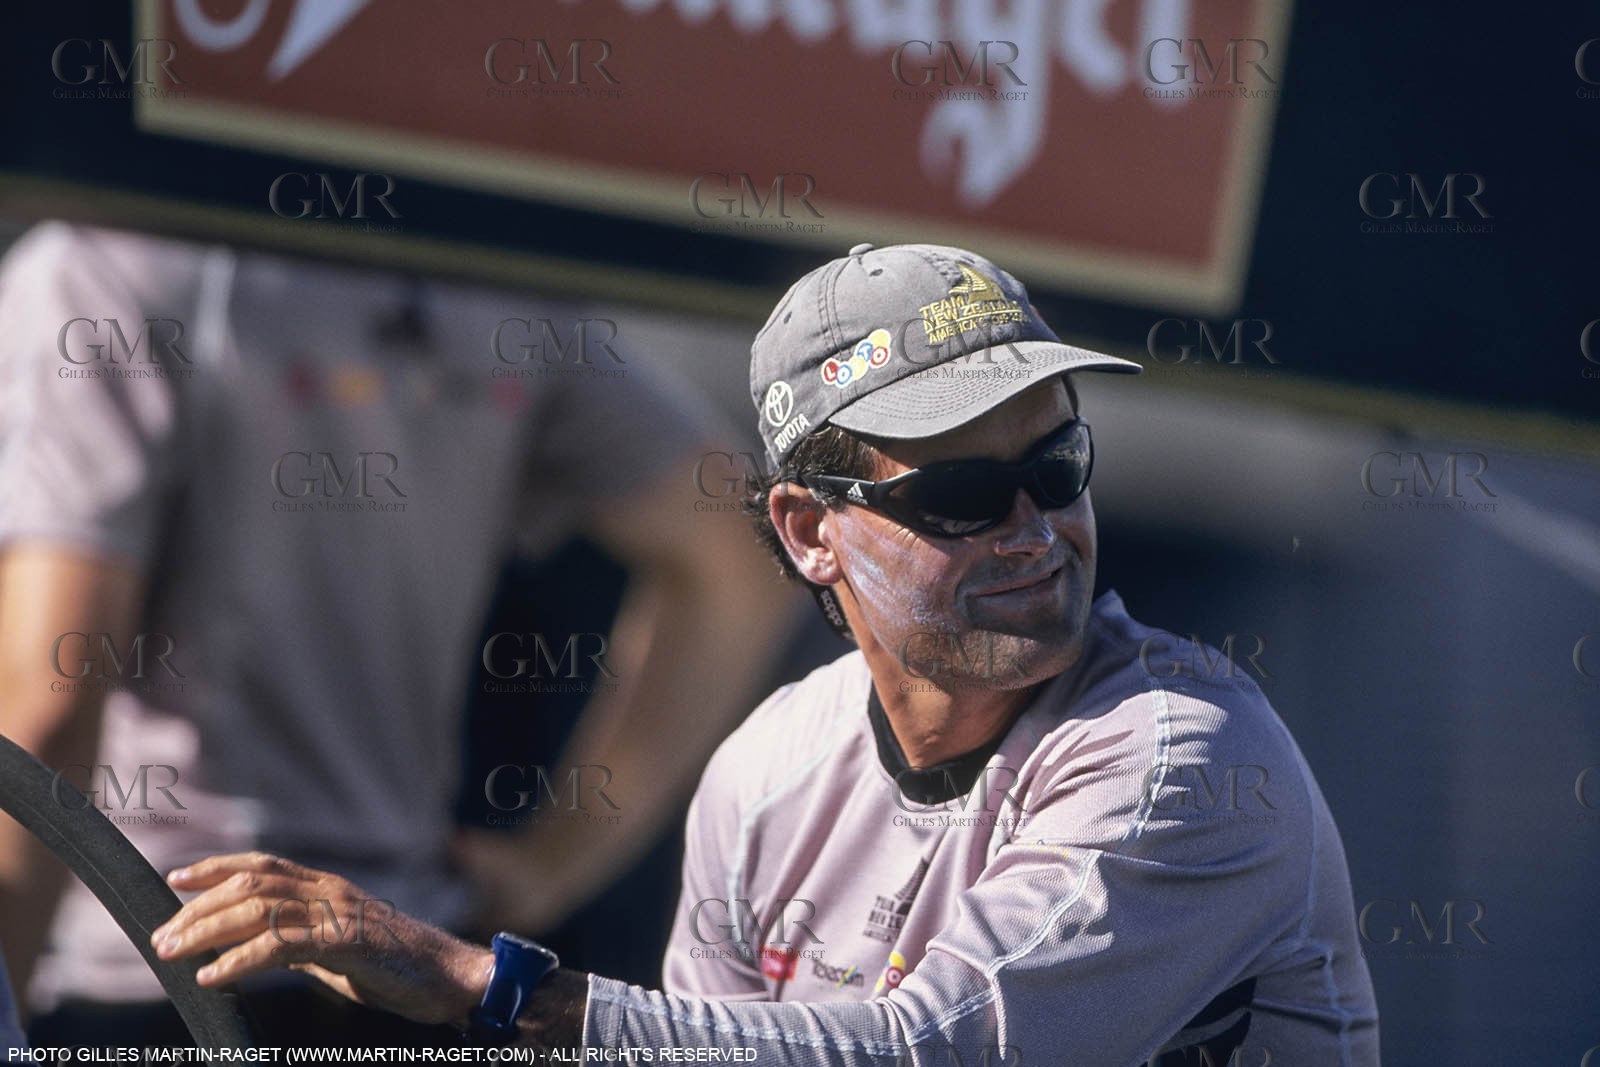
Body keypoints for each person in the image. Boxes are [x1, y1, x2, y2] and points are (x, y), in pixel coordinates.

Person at [153, 243, 1381, 1064]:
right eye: (962, 491)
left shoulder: (1188, 751)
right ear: (807, 532)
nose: (1034, 529)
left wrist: (484, 980)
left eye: (1056, 467)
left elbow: (926, 1046)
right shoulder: (766, 767)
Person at [0, 222, 796, 1042]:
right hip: (403, 979)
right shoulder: (489, 278)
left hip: (156, 978)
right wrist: (548, 867)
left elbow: (47, 707)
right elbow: (740, 551)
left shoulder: (98, 262)